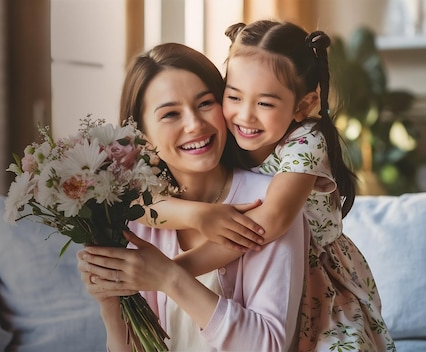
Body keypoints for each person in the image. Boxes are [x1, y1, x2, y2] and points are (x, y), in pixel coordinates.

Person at [141, 20, 396, 351]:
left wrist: (173, 272)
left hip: (322, 285)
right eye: (233, 96)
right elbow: (140, 205)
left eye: (264, 103)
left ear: (304, 105)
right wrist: (198, 215)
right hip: (272, 276)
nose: (245, 116)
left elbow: (270, 221)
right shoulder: (227, 138)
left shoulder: (306, 141)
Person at [77, 42, 310, 351]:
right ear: (141, 138)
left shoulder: (269, 202)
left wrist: (169, 277)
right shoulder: (134, 217)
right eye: (171, 114)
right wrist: (108, 300)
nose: (195, 124)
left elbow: (268, 345)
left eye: (205, 104)